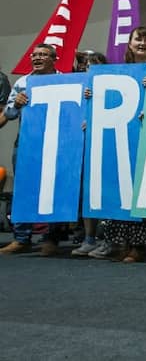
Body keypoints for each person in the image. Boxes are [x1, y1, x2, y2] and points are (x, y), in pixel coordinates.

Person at [90, 26, 146, 263]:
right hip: (121, 138)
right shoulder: (117, 73)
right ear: (129, 44)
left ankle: (140, 245)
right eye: (138, 39)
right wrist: (93, 97)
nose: (143, 43)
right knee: (120, 188)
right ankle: (120, 242)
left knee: (142, 189)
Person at [0, 44, 64, 256]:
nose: (36, 58)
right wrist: (16, 104)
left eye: (43, 55)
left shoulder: (65, 80)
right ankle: (21, 238)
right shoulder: (22, 82)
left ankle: (51, 239)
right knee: (23, 189)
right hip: (27, 142)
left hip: (58, 142)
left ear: (54, 59)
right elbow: (8, 114)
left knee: (56, 189)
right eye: (34, 55)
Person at [71, 50, 108, 257]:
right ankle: (89, 237)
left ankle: (104, 238)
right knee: (87, 193)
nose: (87, 66)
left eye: (93, 63)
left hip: (104, 145)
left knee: (103, 192)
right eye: (84, 63)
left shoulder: (112, 84)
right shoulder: (74, 85)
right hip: (81, 146)